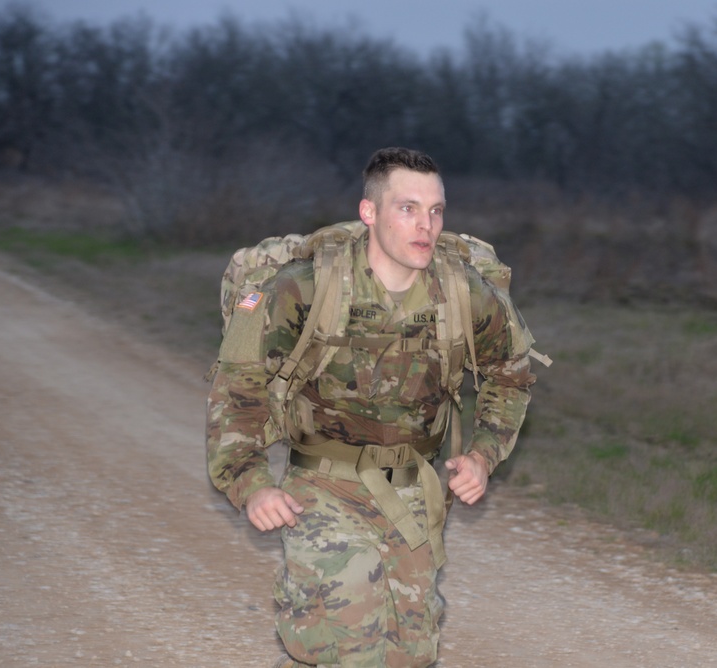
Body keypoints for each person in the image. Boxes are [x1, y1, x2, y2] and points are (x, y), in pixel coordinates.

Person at [206, 147, 538, 667]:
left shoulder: (463, 293)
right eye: (407, 208)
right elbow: (238, 390)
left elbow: (509, 375)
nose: (425, 225)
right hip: (321, 484)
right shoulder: (304, 287)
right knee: (348, 641)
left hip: (412, 489)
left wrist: (483, 455)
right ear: (370, 213)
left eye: (436, 210)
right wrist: (249, 484)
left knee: (411, 652)